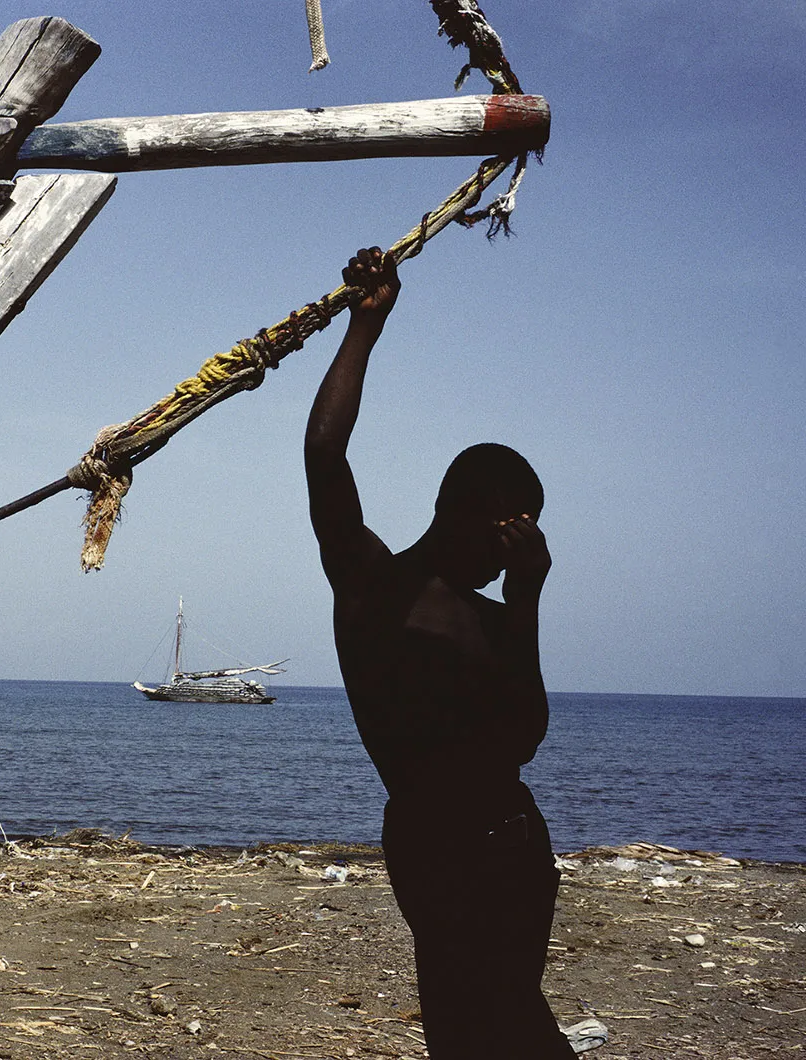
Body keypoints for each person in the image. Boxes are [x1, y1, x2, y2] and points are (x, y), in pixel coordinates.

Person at [304, 247, 578, 1058]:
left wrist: (526, 599)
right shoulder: (372, 585)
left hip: (513, 846)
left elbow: (525, 734)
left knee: (496, 1023)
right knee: (482, 1028)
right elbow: (324, 456)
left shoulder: (492, 617)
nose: (515, 550)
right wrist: (366, 324)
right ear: (481, 513)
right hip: (437, 842)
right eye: (514, 527)